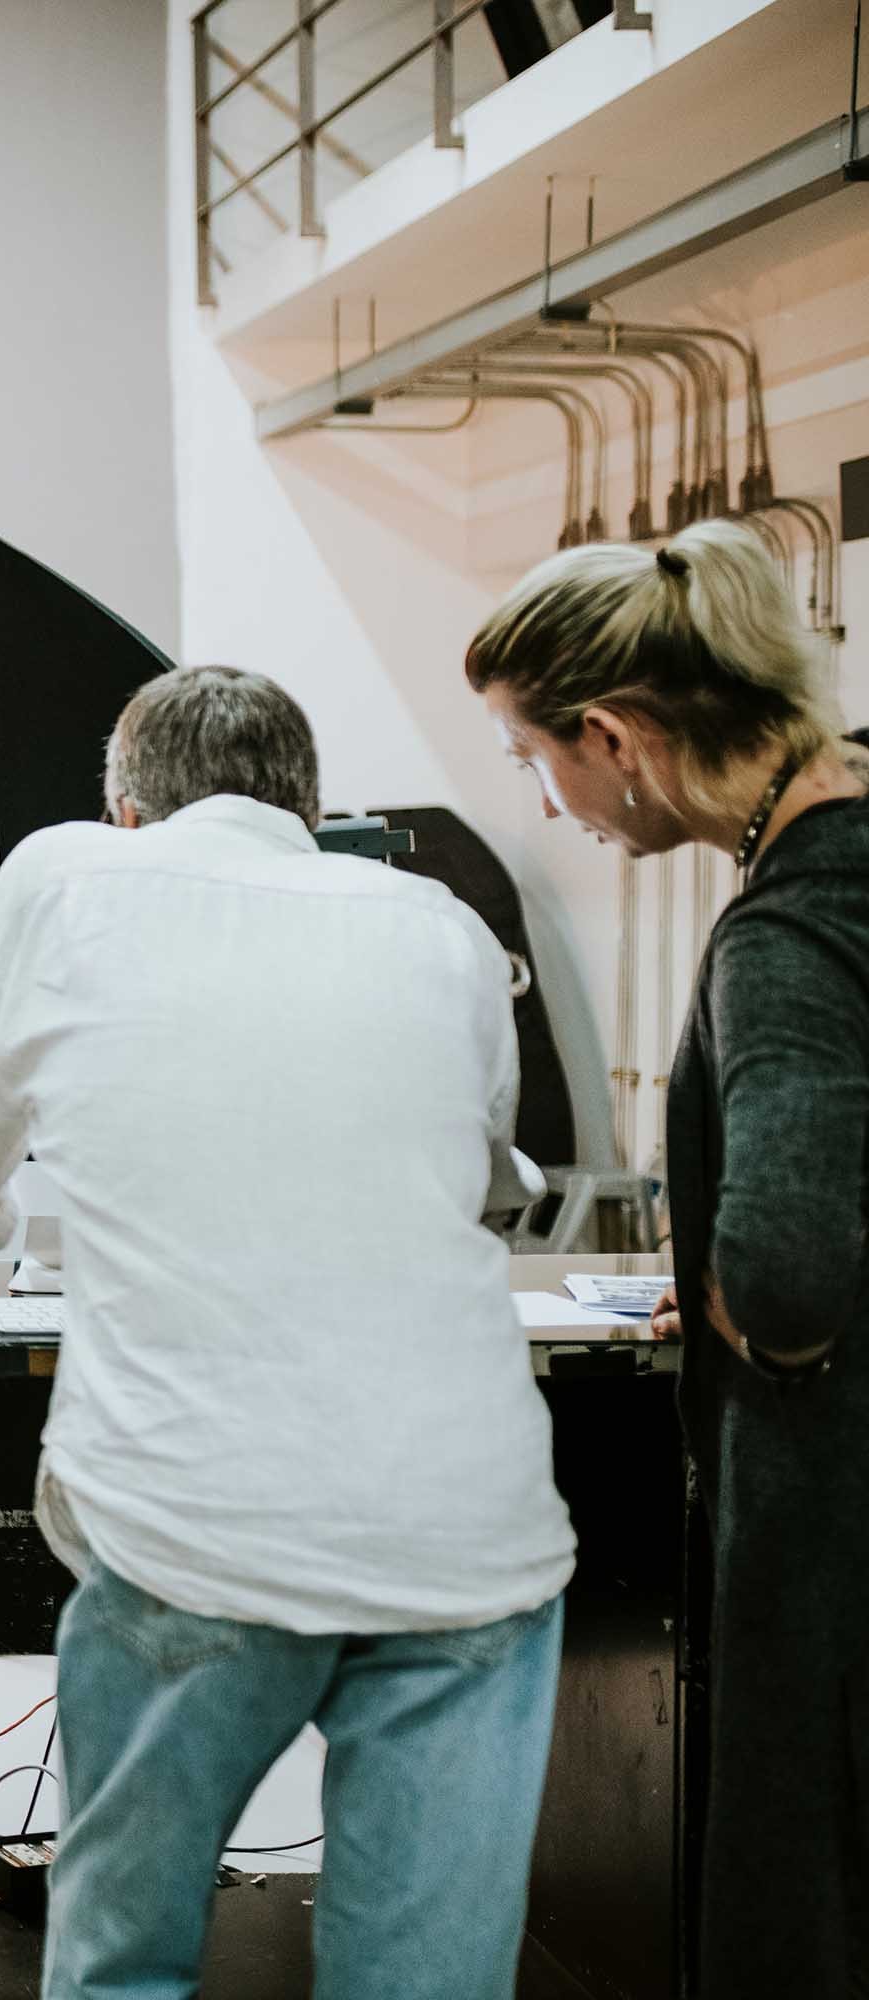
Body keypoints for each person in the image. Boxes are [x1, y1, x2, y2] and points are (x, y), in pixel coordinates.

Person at [0, 665, 576, 2000]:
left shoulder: (67, 874)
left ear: (128, 811)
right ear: (311, 808)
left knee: (126, 1958)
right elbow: (480, 1178)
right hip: (467, 1535)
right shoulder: (441, 922)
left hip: (197, 1528)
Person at [466, 520, 869, 1995]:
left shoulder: (790, 929)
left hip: (831, 1533)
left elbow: (787, 1263)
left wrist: (734, 1308)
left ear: (618, 736)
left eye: (533, 757)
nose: (546, 798)